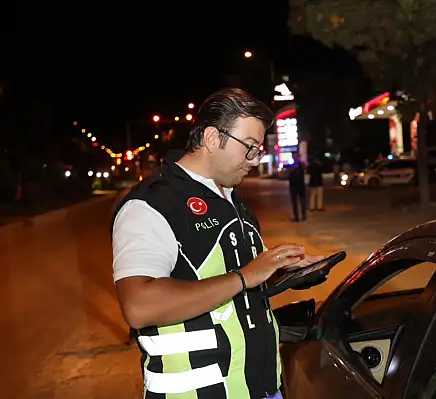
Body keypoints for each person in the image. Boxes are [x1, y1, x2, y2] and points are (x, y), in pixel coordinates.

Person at [111, 88, 324, 399]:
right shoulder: (151, 205)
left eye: (258, 149)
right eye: (249, 147)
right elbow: (139, 306)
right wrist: (245, 276)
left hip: (261, 388)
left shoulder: (231, 199)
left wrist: (280, 273)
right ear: (212, 138)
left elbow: (230, 283)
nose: (255, 159)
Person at [287, 151, 306, 222]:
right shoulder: (291, 164)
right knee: (294, 203)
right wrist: (293, 167)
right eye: (293, 156)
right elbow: (288, 172)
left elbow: (305, 169)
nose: (294, 157)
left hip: (300, 185)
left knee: (302, 201)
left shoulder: (301, 163)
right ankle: (296, 218)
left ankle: (303, 216)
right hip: (293, 186)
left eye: (295, 156)